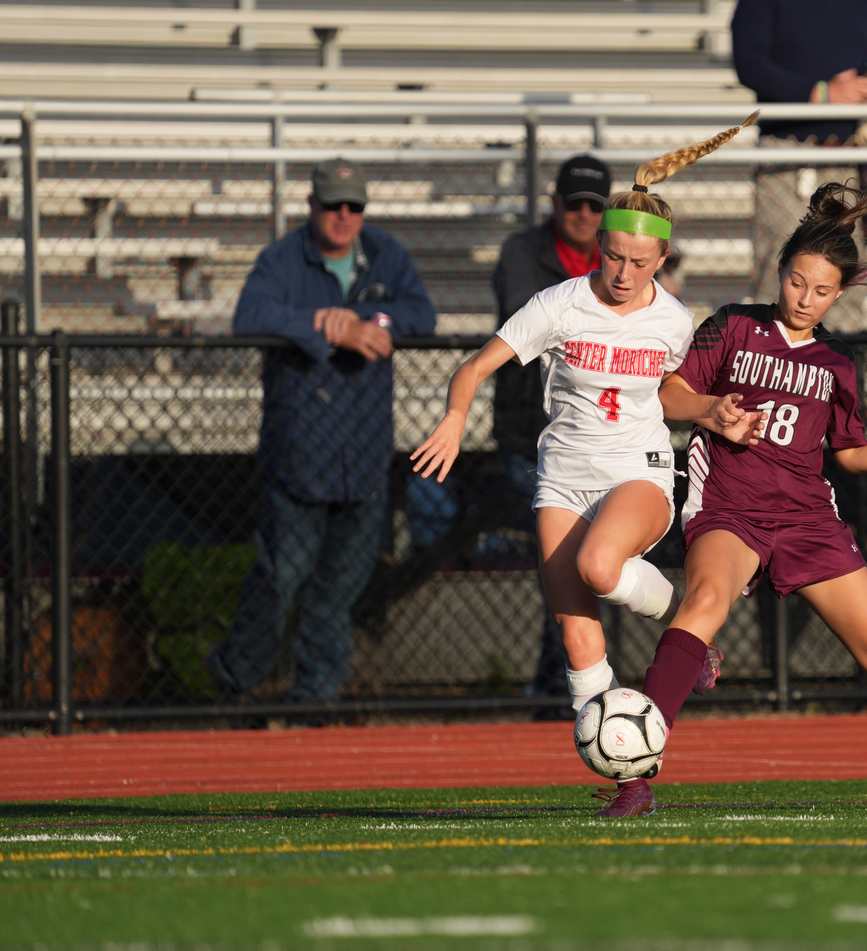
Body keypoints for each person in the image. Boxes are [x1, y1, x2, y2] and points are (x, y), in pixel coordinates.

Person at [620, 183, 867, 819]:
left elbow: (850, 454)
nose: (805, 299)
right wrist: (710, 411)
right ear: (779, 272)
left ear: (840, 293)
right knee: (703, 602)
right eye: (796, 282)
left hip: (809, 518)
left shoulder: (838, 361)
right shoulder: (733, 325)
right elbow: (669, 394)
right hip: (729, 507)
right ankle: (635, 775)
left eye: (822, 290)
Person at [411, 117, 757, 792]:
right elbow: (476, 367)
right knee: (577, 641)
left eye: (641, 262)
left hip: (639, 474)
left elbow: (676, 396)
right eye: (614, 257)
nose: (625, 273)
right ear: (598, 246)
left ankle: (686, 617)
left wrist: (711, 410)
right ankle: (627, 779)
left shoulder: (674, 321)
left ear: (662, 261)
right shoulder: (558, 304)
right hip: (563, 480)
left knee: (602, 566)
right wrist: (455, 416)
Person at [214, 158, 437, 711]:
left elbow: (420, 313)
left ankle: (313, 697)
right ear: (311, 205)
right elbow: (249, 316)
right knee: (281, 576)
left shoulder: (386, 253)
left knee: (339, 585)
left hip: (363, 454)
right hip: (298, 453)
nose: (343, 215)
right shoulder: (281, 259)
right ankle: (234, 680)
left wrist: (373, 321)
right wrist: (322, 323)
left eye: (353, 206)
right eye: (333, 204)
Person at [491, 155, 615, 703]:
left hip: (605, 441)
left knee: (591, 565)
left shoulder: (623, 261)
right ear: (555, 205)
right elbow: (535, 323)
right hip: (534, 438)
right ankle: (564, 685)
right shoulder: (522, 252)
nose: (585, 215)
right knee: (570, 566)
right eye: (575, 204)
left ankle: (569, 685)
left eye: (596, 206)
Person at [730, 0, 867, 321]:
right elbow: (749, 63)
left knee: (848, 278)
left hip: (852, 156)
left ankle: (844, 366)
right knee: (782, 277)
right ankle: (775, 366)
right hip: (788, 156)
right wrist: (820, 94)